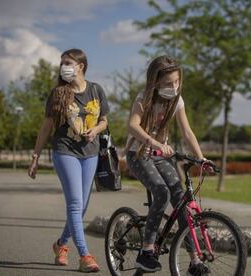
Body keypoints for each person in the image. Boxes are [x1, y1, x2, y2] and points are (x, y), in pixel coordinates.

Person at [125, 55, 210, 275]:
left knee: (181, 200)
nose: (173, 87)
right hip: (138, 154)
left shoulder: (177, 101)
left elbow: (187, 132)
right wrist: (153, 142)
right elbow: (132, 125)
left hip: (161, 155)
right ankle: (146, 252)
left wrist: (201, 159)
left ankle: (194, 262)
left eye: (176, 82)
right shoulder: (144, 98)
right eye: (167, 83)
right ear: (155, 82)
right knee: (161, 192)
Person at [28, 48, 109, 273]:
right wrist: (35, 156)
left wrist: (95, 130)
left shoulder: (96, 90)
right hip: (65, 151)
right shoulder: (58, 93)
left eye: (68, 62)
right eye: (62, 62)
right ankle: (85, 256)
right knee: (75, 203)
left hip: (90, 152)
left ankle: (61, 245)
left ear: (80, 66)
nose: (63, 66)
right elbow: (46, 127)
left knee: (82, 206)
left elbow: (104, 121)